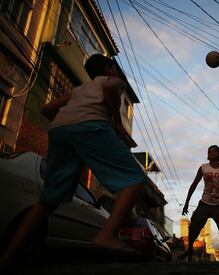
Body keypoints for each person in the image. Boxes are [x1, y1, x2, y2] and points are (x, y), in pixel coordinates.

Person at [0, 54, 145, 269]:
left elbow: (47, 109)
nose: (116, 73)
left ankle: (6, 258)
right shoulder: (111, 81)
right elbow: (113, 85)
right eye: (114, 69)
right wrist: (115, 119)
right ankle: (106, 235)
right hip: (91, 125)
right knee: (134, 179)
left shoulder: (79, 90)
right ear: (109, 68)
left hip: (59, 130)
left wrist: (69, 126)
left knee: (47, 202)